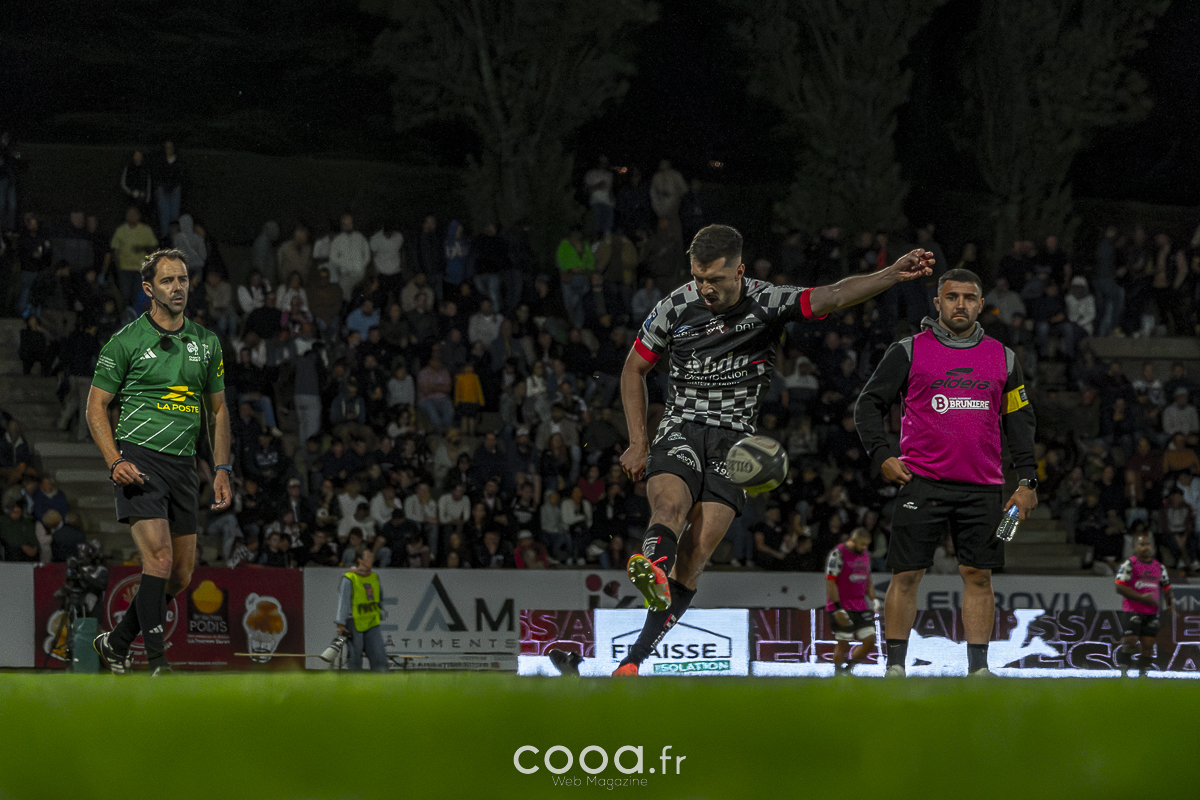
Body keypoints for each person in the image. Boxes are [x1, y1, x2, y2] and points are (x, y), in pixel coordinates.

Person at [611, 223, 933, 676]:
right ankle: (652, 567)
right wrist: (638, 441)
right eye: (698, 278)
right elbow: (633, 369)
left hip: (736, 445)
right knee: (669, 506)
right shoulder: (674, 306)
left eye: (715, 279)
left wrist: (892, 274)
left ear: (739, 271)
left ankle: (632, 660)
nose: (704, 288)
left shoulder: (767, 300)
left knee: (696, 556)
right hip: (681, 428)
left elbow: (834, 295)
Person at [855, 268, 1038, 677]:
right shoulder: (908, 350)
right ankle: (895, 668)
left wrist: (1027, 482)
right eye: (952, 297)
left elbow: (1020, 424)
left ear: (981, 305)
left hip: (984, 488)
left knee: (979, 575)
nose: (960, 304)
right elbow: (868, 404)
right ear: (937, 303)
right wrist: (881, 454)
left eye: (969, 298)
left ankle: (978, 672)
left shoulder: (1003, 357)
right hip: (921, 481)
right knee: (907, 574)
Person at [88, 248, 231, 675]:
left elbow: (218, 410)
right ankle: (157, 664)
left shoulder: (206, 342)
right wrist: (114, 461)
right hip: (140, 459)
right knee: (159, 560)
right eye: (168, 281)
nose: (177, 287)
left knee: (182, 575)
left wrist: (222, 468)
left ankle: (115, 643)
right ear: (148, 289)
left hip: (184, 466)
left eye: (182, 279)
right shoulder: (125, 341)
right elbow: (95, 407)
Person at [1114, 532, 1174, 676]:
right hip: (1132, 610)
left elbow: (1166, 588)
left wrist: (1170, 607)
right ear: (1135, 547)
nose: (1145, 547)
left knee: (1148, 644)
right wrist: (1142, 597)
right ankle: (1123, 670)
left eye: (1148, 544)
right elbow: (1119, 587)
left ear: (1152, 547)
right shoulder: (1129, 564)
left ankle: (1143, 673)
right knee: (1130, 641)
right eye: (1141, 544)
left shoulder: (1159, 567)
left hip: (1152, 612)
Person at [825, 527, 881, 675]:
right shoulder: (838, 553)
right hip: (842, 605)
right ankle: (838, 673)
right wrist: (837, 608)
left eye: (867, 545)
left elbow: (867, 578)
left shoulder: (865, 555)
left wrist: (873, 599)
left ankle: (849, 668)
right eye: (862, 544)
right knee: (843, 643)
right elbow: (831, 581)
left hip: (861, 605)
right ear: (853, 541)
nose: (864, 548)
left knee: (870, 640)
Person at [334, 551, 388, 672]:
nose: (371, 559)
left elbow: (380, 597)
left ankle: (383, 681)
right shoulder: (349, 578)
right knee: (355, 656)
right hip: (354, 620)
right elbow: (344, 601)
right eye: (368, 557)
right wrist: (341, 623)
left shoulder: (374, 577)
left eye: (371, 556)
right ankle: (354, 682)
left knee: (379, 655)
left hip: (372, 620)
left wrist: (382, 611)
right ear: (360, 560)